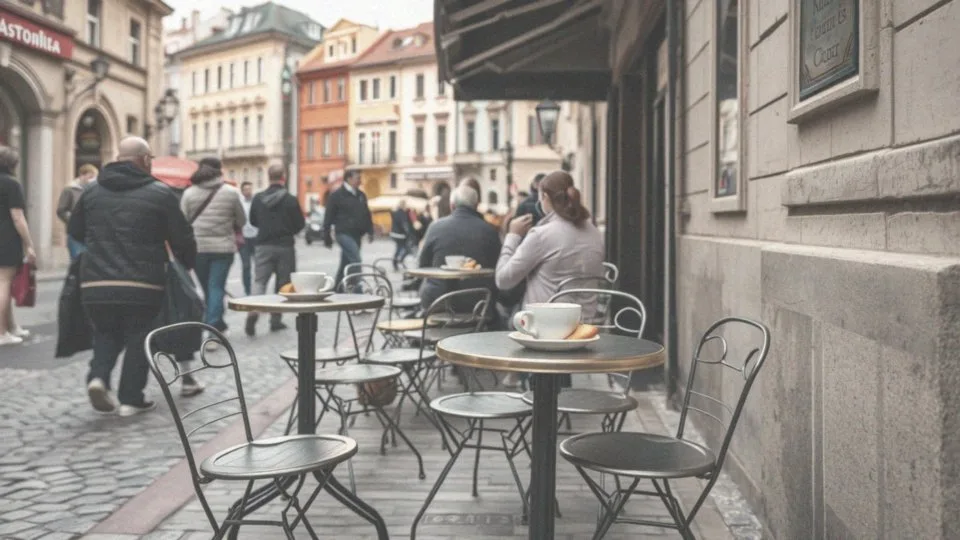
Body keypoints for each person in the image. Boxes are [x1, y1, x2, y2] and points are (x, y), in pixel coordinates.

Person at [68, 136, 197, 416]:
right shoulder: (160, 193)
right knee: (140, 336)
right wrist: (186, 263)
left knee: (105, 333)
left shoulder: (91, 191)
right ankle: (131, 398)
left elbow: (76, 230)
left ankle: (98, 378)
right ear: (145, 160)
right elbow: (182, 237)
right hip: (144, 282)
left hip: (96, 282)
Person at [495, 170, 603, 387]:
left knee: (509, 319)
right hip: (584, 326)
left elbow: (503, 280)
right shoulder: (593, 231)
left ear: (545, 198)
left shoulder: (542, 234)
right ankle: (538, 389)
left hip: (549, 332)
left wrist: (513, 235)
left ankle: (523, 382)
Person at [180, 157, 245, 334]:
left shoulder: (189, 193)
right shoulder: (231, 192)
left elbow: (183, 222)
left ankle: (213, 323)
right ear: (219, 170)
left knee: (209, 289)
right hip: (223, 248)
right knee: (216, 286)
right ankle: (214, 326)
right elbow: (242, 220)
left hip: (198, 249)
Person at [418, 185, 501, 310]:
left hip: (438, 301)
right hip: (479, 302)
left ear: (452, 205)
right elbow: (498, 266)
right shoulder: (489, 230)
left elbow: (422, 263)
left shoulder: (435, 227)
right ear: (477, 205)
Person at [245, 164, 305, 336]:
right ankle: (275, 320)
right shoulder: (290, 199)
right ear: (283, 177)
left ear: (268, 177)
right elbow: (299, 224)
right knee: (283, 283)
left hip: (263, 245)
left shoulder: (258, 198)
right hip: (285, 246)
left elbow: (253, 220)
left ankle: (254, 310)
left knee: (260, 281)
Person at [0, 146, 36, 346]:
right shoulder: (11, 184)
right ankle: (2, 332)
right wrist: (29, 244)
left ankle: (11, 326)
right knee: (4, 283)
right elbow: (17, 216)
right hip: (5, 239)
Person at [322, 169, 373, 287]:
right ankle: (356, 289)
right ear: (348, 179)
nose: (360, 181)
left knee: (346, 263)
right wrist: (326, 236)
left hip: (357, 234)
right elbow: (328, 216)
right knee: (356, 259)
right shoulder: (337, 195)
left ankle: (336, 289)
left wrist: (370, 231)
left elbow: (366, 214)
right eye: (357, 178)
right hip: (343, 233)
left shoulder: (361, 195)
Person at [57, 164, 97, 260]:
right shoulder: (69, 190)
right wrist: (73, 220)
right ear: (82, 175)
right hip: (75, 233)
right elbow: (61, 210)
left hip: (91, 233)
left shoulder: (94, 190)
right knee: (77, 261)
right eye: (90, 177)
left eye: (94, 177)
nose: (92, 180)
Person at [238, 181, 258, 295]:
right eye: (245, 189)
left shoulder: (256, 202)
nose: (248, 191)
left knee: (258, 266)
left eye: (250, 189)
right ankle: (247, 290)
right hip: (244, 238)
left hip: (256, 237)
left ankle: (256, 290)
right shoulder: (239, 203)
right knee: (246, 266)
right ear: (242, 191)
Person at [390, 199, 413, 271]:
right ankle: (397, 262)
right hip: (400, 235)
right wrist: (408, 233)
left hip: (395, 233)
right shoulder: (401, 213)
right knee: (404, 249)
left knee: (401, 249)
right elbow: (404, 224)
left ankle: (397, 262)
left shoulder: (396, 212)